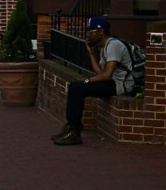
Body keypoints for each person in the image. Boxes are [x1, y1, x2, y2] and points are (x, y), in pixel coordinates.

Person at [54, 16, 130, 146]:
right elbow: (100, 74)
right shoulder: (104, 47)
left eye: (91, 31)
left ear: (101, 32)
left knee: (78, 88)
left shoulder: (114, 45)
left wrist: (88, 81)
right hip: (111, 82)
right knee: (75, 86)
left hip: (121, 85)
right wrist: (90, 53)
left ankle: (74, 131)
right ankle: (71, 127)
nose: (87, 34)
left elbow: (106, 75)